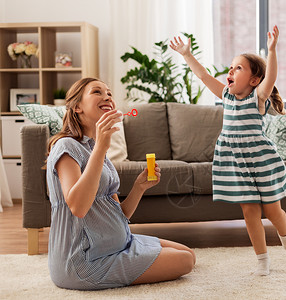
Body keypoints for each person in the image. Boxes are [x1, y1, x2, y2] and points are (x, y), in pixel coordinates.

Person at [170, 25, 286, 276]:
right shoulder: (226, 96)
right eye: (231, 67)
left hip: (261, 160)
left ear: (253, 80)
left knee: (273, 211)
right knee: (250, 212)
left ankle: (285, 232)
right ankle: (262, 259)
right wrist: (187, 55)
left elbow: (270, 78)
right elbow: (204, 76)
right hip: (234, 160)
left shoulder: (257, 98)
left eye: (238, 67)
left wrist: (271, 51)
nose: (230, 71)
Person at [46, 77, 196, 290]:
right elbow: (78, 207)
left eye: (109, 93)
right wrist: (101, 147)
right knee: (185, 261)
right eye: (97, 92)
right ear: (77, 106)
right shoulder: (67, 147)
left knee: (188, 253)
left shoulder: (97, 149)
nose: (107, 96)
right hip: (86, 261)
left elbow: (120, 214)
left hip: (120, 244)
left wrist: (139, 187)